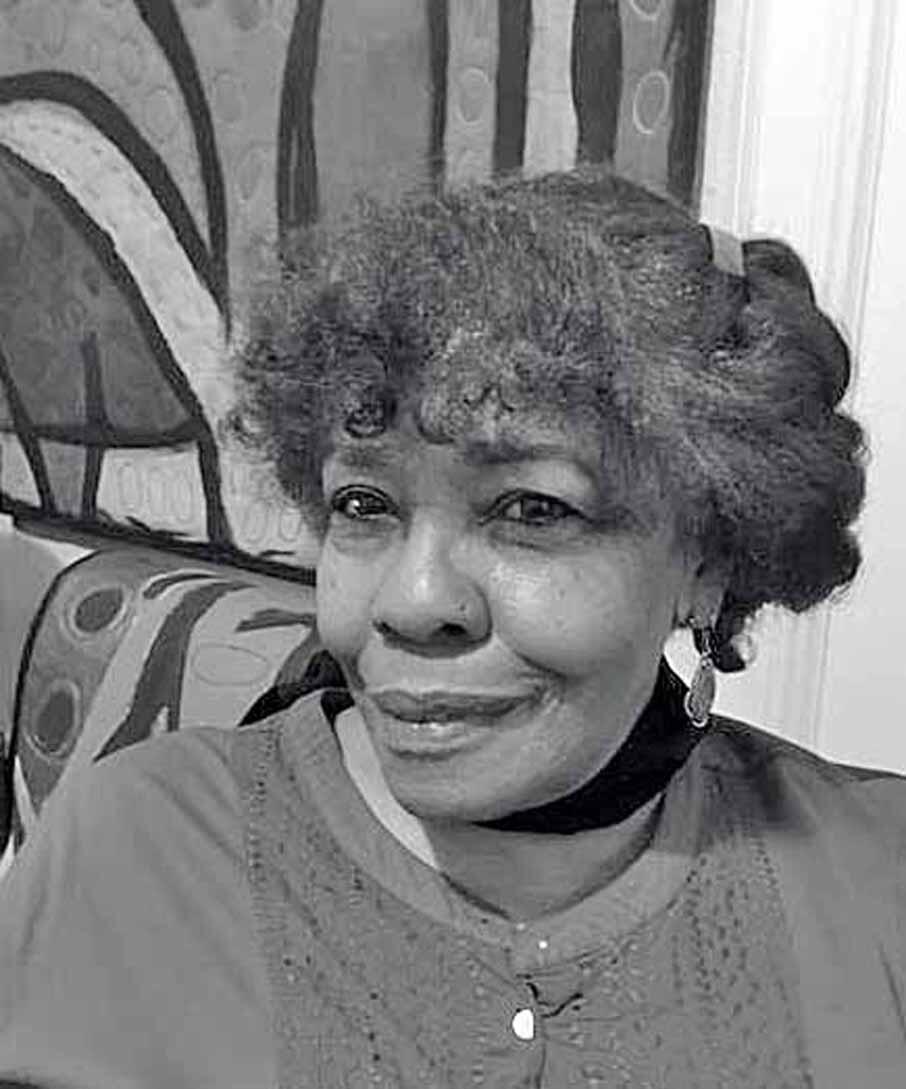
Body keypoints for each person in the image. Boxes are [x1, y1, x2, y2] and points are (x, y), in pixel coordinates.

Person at [0, 168, 902, 1089]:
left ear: (706, 558)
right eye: (363, 502)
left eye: (533, 509)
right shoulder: (136, 860)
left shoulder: (875, 880)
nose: (410, 598)